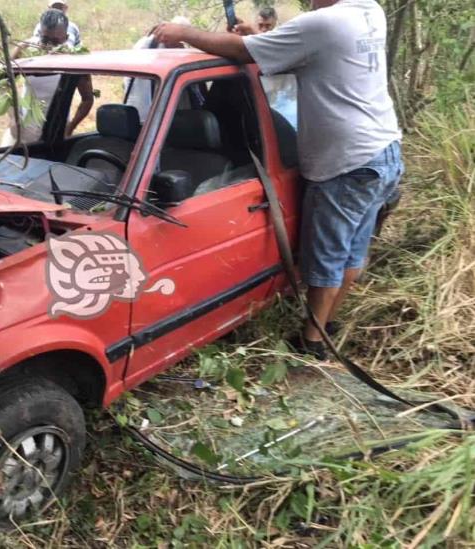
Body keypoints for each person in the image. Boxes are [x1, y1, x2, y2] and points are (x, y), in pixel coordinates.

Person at [152, 0, 403, 360]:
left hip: (346, 163)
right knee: (352, 252)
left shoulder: (322, 23)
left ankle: (312, 344)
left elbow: (242, 51)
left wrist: (183, 32)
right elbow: (313, 50)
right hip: (383, 152)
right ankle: (327, 323)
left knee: (326, 260)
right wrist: (260, 38)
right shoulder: (369, 10)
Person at [4, 9, 94, 145]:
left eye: (56, 42)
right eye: (45, 40)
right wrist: (13, 117)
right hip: (22, 129)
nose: (49, 47)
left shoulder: (75, 60)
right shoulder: (26, 50)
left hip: (55, 132)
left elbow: (87, 99)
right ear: (39, 33)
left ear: (66, 37)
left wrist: (69, 129)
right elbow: (4, 82)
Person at [124, 16, 195, 123]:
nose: (182, 45)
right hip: (153, 116)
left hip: (137, 115)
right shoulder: (163, 51)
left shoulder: (143, 44)